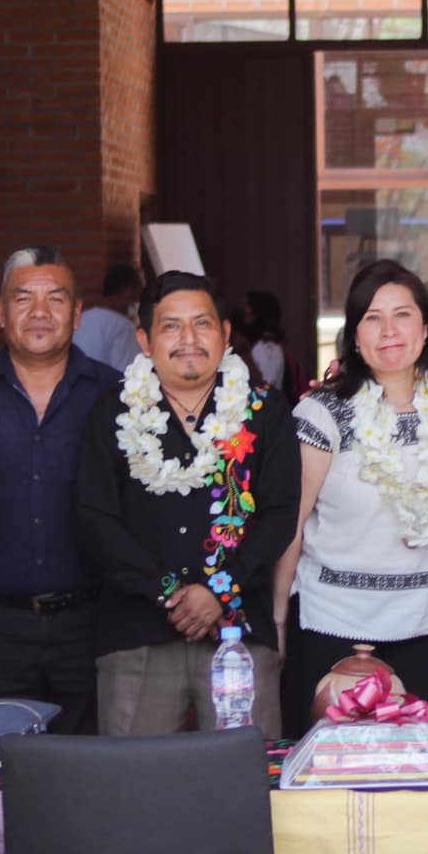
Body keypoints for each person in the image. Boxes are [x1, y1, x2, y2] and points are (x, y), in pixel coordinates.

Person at [76, 271, 300, 737]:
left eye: (201, 324)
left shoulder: (264, 409)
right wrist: (168, 591)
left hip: (238, 633)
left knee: (244, 784)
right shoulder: (112, 411)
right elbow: (95, 517)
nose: (188, 339)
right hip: (138, 632)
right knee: (135, 791)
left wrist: (219, 590)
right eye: (171, 326)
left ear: (225, 333)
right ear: (144, 339)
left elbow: (280, 514)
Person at [275, 262, 428, 729]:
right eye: (372, 317)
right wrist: (277, 619)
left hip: (423, 625)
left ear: (426, 327)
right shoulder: (322, 411)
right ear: (353, 335)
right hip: (333, 624)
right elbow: (291, 523)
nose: (389, 330)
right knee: (335, 776)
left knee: (420, 775)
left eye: (402, 315)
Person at [0, 247, 119, 731]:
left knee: (90, 773)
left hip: (93, 624)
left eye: (55, 299)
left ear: (76, 315)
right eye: (23, 298)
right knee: (0, 778)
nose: (39, 313)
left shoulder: (116, 395)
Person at [70, 262, 143, 371]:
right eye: (138, 293)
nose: (138, 300)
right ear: (128, 291)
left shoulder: (80, 320)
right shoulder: (123, 327)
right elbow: (129, 375)